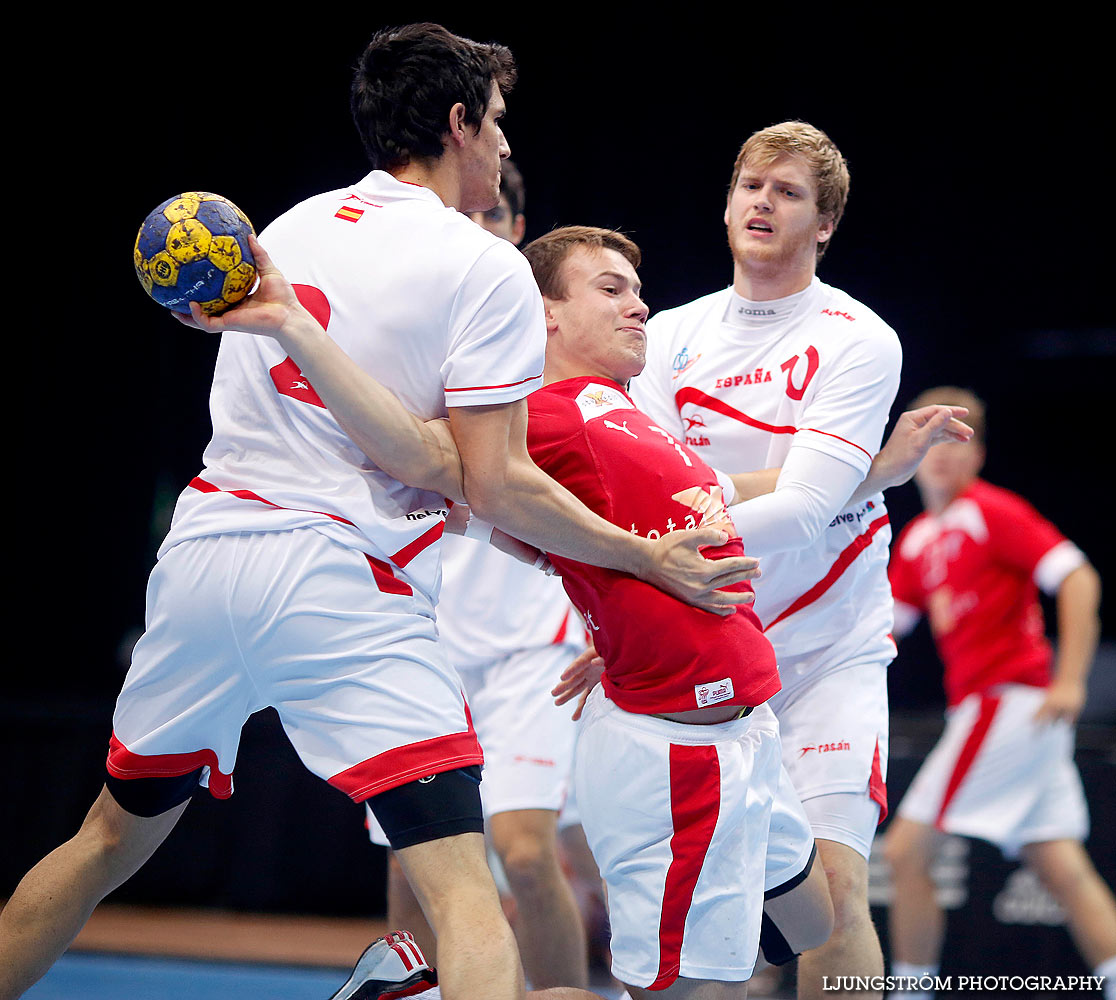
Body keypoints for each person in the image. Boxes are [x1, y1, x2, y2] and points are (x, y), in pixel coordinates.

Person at [0, 25, 759, 1000]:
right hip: (338, 575)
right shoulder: (482, 267)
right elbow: (490, 480)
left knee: (105, 838)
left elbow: (448, 472)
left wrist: (480, 496)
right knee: (463, 894)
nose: (504, 147)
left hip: (202, 557)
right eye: (496, 124)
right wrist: (641, 558)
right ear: (457, 123)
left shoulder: (289, 225)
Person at [177, 222, 967, 996]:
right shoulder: (527, 426)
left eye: (640, 291)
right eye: (611, 289)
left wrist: (875, 472)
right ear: (545, 312)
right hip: (674, 749)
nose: (639, 307)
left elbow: (741, 499)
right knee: (678, 985)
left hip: (748, 729)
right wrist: (292, 326)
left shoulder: (628, 412)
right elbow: (415, 450)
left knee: (811, 921)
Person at [629, 120, 903, 1000]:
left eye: (787, 193)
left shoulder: (859, 337)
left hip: (828, 649)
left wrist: (672, 526)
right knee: (719, 907)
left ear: (824, 224)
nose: (762, 203)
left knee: (833, 889)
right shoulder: (670, 333)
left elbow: (807, 511)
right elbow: (643, 494)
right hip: (710, 636)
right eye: (751, 185)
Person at [369, 160, 594, 989]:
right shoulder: (402, 333)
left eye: (500, 215)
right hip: (424, 628)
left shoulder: (548, 339)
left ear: (517, 233)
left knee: (527, 854)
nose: (483, 225)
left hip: (535, 639)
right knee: (413, 861)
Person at [882, 386, 1116, 1000]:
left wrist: (1071, 680)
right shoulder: (914, 542)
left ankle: (910, 992)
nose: (939, 451)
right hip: (1000, 712)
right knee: (1061, 866)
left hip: (1007, 704)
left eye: (956, 437)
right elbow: (878, 635)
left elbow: (1078, 576)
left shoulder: (989, 511)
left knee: (905, 851)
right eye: (929, 434)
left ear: (977, 454)